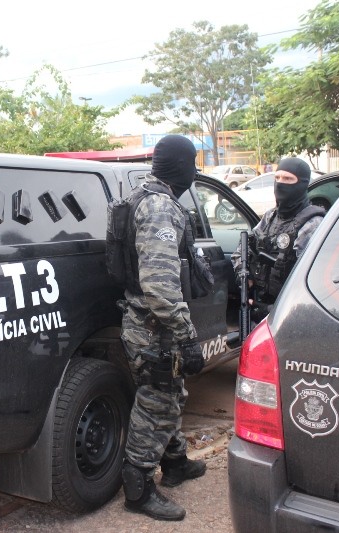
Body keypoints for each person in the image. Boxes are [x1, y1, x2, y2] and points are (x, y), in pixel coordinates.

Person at [117, 135, 207, 521]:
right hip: (155, 326)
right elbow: (160, 286)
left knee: (170, 393)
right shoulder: (159, 208)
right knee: (156, 404)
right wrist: (187, 337)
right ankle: (137, 489)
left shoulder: (141, 195)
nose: (194, 171)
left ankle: (175, 464)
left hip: (145, 322)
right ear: (180, 166)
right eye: (192, 163)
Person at [232, 157, 325, 324]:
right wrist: (243, 273)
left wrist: (270, 310)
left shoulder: (312, 223)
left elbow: (310, 281)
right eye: (277, 178)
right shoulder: (270, 217)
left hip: (292, 315)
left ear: (302, 183)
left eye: (288, 179)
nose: (280, 184)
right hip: (260, 305)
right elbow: (243, 249)